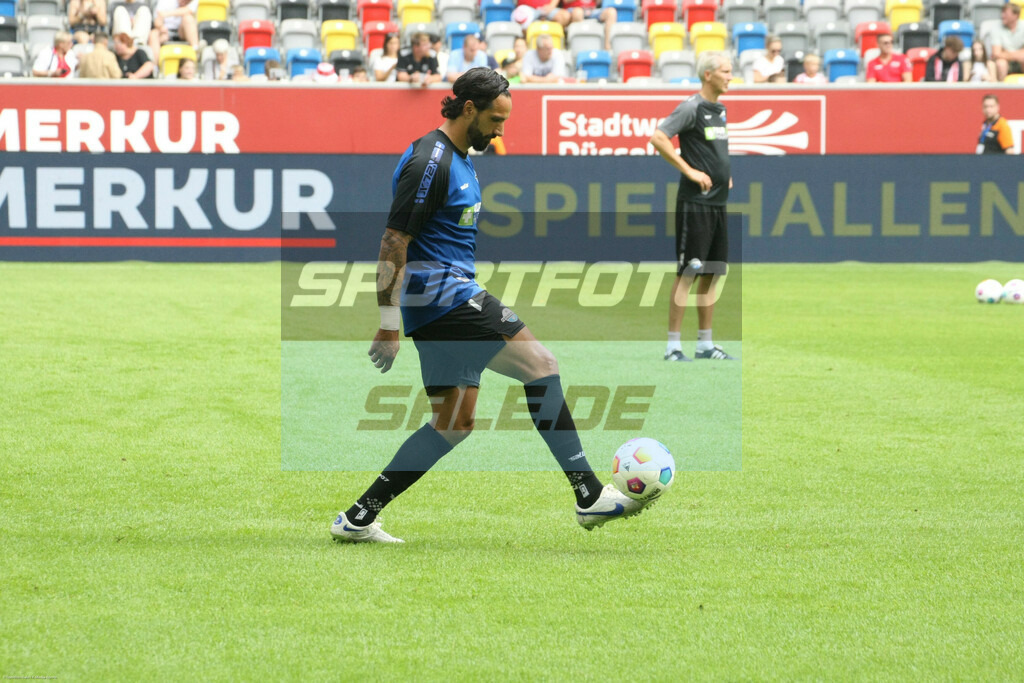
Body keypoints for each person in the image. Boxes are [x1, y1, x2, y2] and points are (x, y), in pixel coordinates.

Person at [330, 67, 655, 543]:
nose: (501, 130)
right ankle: (588, 495)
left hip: (439, 301)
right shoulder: (431, 162)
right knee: (540, 364)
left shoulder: (459, 156)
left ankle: (358, 517)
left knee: (453, 425)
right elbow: (393, 239)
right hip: (445, 297)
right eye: (496, 119)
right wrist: (387, 322)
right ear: (468, 109)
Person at [648, 51, 736, 362]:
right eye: (725, 71)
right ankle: (673, 346)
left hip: (718, 203)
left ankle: (705, 344)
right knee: (689, 271)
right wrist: (690, 171)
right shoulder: (691, 107)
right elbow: (658, 138)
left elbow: (713, 150)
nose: (730, 76)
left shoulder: (720, 109)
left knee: (712, 273)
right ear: (708, 74)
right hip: (695, 203)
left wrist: (725, 175)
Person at [991, 2, 1024, 81]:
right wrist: (1018, 54)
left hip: (1020, 61)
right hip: (1005, 61)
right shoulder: (996, 28)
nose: (1002, 16)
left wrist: (1005, 52)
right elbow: (996, 53)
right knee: (1001, 64)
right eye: (1002, 13)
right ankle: (1001, 90)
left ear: (1015, 15)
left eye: (1006, 13)